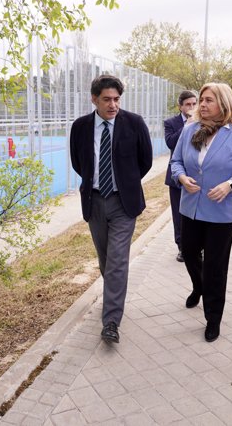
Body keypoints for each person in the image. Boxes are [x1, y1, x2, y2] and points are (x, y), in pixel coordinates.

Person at [69, 74, 153, 344]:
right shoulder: (81, 127)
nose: (113, 105)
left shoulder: (134, 123)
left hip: (123, 202)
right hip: (94, 202)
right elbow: (78, 163)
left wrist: (125, 183)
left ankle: (111, 321)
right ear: (94, 99)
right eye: (107, 99)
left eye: (117, 99)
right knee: (106, 259)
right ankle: (113, 296)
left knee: (117, 260)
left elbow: (146, 161)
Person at [170, 83, 232, 342]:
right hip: (191, 207)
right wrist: (182, 177)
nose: (202, 105)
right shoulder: (190, 130)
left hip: (222, 213)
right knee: (189, 252)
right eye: (201, 100)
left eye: (209, 100)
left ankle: (213, 318)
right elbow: (175, 162)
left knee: (216, 267)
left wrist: (230, 185)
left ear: (224, 104)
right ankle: (199, 286)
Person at [164, 90, 198, 262]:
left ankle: (198, 246)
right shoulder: (171, 123)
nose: (191, 107)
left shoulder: (203, 121)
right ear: (181, 106)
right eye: (188, 104)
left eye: (194, 104)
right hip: (177, 176)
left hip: (196, 176)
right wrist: (187, 126)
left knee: (196, 213)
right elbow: (170, 142)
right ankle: (181, 247)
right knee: (178, 214)